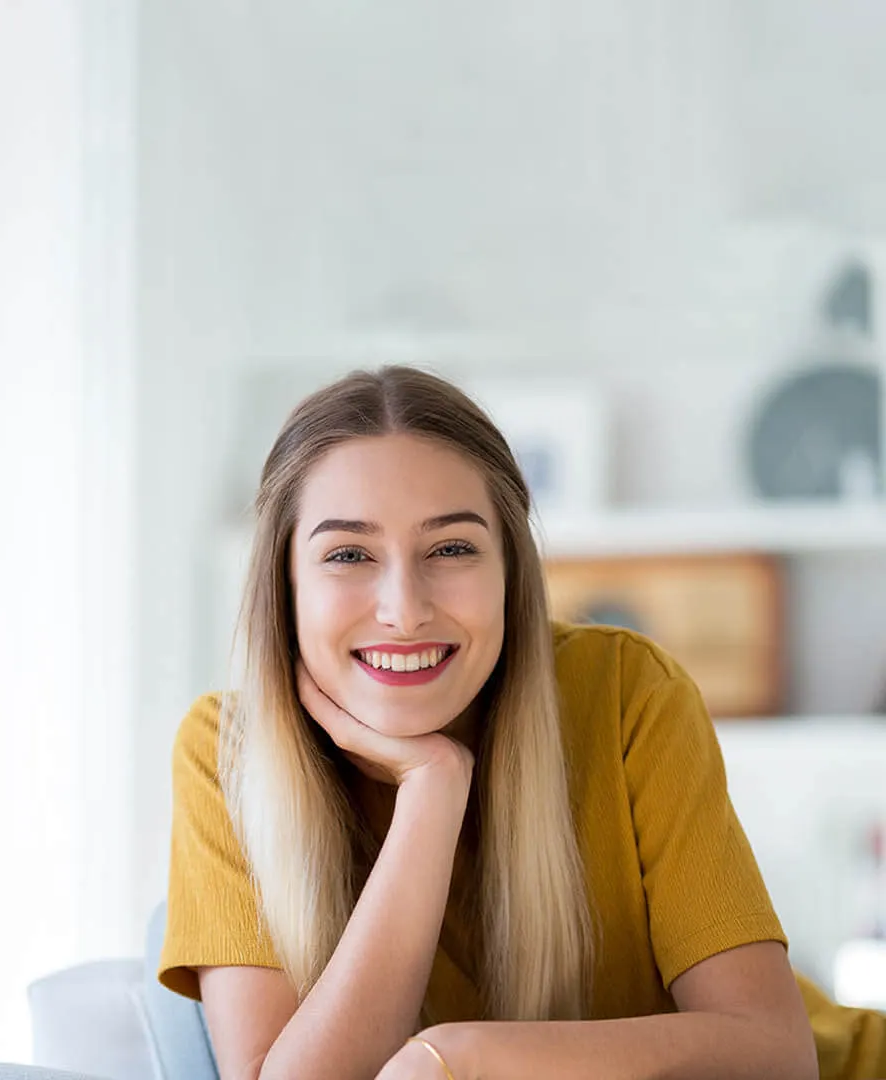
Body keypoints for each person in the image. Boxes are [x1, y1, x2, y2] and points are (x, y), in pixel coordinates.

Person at [160, 366, 886, 1079]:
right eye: (348, 554)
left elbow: (773, 1055)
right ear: (284, 584)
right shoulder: (229, 756)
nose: (404, 608)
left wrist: (460, 1058)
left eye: (451, 549)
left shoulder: (626, 692)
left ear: (510, 568)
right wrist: (433, 785)